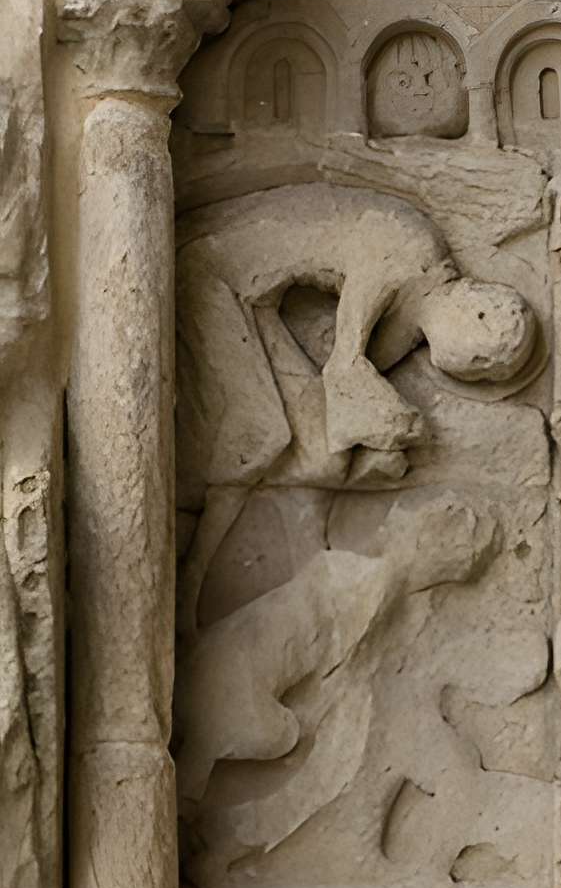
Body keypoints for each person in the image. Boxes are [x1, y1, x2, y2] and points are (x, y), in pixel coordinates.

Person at [175, 184, 536, 632]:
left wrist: (385, 431)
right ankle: (185, 570)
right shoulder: (410, 252)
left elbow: (347, 383)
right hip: (214, 270)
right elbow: (344, 369)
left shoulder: (414, 318)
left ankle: (210, 559)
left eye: (485, 375)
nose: (473, 370)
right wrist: (396, 425)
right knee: (261, 432)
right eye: (482, 358)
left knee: (320, 457)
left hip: (256, 302)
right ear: (475, 308)